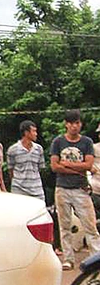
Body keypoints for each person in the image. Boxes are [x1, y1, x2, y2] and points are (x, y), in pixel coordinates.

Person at [50, 109, 100, 270]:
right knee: (64, 226)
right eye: (72, 123)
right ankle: (68, 258)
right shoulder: (58, 142)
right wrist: (77, 168)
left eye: (77, 123)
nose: (75, 126)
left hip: (81, 188)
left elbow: (88, 165)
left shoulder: (86, 142)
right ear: (66, 124)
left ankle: (95, 257)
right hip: (62, 188)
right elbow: (54, 166)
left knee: (90, 225)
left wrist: (67, 164)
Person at [6, 120, 45, 201]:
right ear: (26, 133)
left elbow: (40, 168)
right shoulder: (13, 150)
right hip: (19, 189)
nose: (36, 134)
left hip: (36, 189)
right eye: (34, 131)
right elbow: (11, 170)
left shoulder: (39, 149)